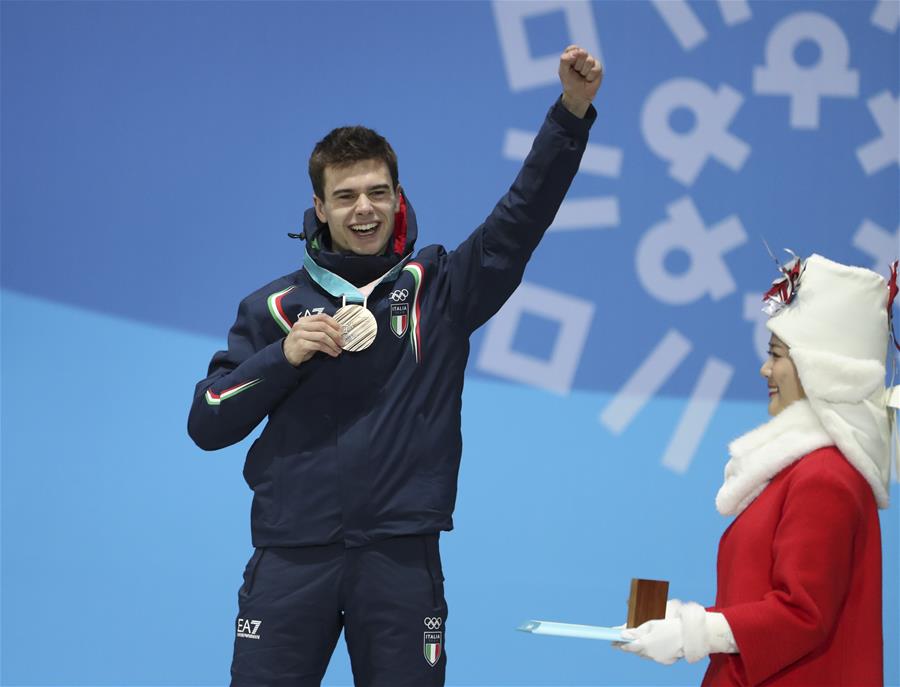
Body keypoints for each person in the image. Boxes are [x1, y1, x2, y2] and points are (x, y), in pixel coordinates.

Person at [187, 46, 602, 686]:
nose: (364, 209)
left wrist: (571, 112)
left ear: (398, 197)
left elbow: (521, 217)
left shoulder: (440, 289)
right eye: (346, 195)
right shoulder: (272, 306)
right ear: (319, 208)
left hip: (401, 559)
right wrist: (285, 355)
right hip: (291, 558)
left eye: (378, 192)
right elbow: (207, 421)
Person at [617, 253, 899, 686]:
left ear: (821, 368)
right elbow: (767, 608)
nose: (765, 369)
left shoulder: (825, 478)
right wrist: (688, 625)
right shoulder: (803, 473)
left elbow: (801, 614)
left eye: (777, 355)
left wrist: (695, 633)